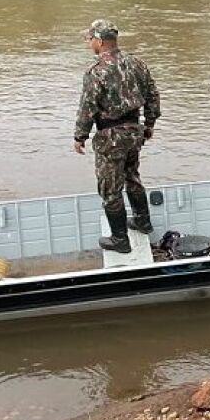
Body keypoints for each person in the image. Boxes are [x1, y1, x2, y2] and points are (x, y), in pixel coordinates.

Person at [74, 19, 161, 254]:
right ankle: (143, 221)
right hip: (134, 132)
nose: (90, 43)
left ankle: (120, 240)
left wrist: (80, 136)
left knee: (110, 189)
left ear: (100, 42)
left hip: (110, 137)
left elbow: (87, 108)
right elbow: (153, 94)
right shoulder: (137, 64)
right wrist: (149, 124)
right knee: (132, 176)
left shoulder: (96, 72)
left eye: (91, 39)